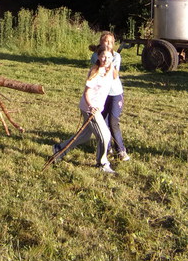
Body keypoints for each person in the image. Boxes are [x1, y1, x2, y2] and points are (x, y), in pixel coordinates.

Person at [52, 46, 117, 174]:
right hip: (90, 109)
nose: (106, 59)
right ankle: (102, 163)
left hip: (97, 108)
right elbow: (86, 93)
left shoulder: (110, 70)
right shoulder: (95, 72)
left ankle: (59, 148)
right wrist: (91, 106)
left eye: (109, 57)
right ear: (98, 57)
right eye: (103, 56)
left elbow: (113, 79)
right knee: (105, 135)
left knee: (84, 136)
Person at [92, 31, 130, 161]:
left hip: (115, 93)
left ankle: (121, 150)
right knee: (103, 122)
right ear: (100, 43)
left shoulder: (116, 56)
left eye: (111, 42)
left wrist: (109, 60)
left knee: (113, 122)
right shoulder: (95, 56)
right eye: (105, 41)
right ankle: (106, 148)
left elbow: (114, 75)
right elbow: (96, 72)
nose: (108, 44)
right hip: (102, 94)